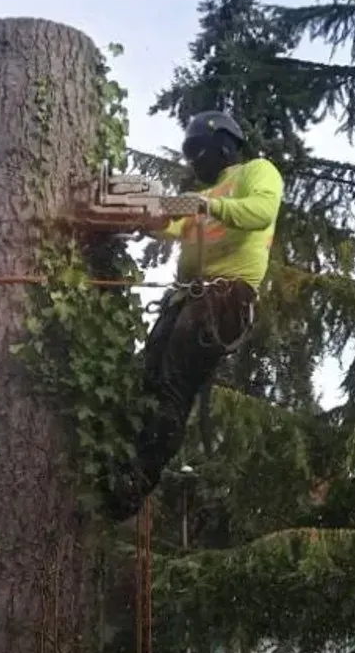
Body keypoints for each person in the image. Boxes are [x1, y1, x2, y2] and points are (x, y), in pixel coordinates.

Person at [104, 111, 283, 521]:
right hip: (188, 297)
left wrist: (207, 204)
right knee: (146, 378)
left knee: (172, 386)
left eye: (197, 151)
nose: (194, 162)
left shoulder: (257, 172)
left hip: (226, 296)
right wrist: (145, 218)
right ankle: (121, 460)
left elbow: (260, 213)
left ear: (223, 144)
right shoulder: (206, 196)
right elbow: (173, 226)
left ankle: (135, 482)